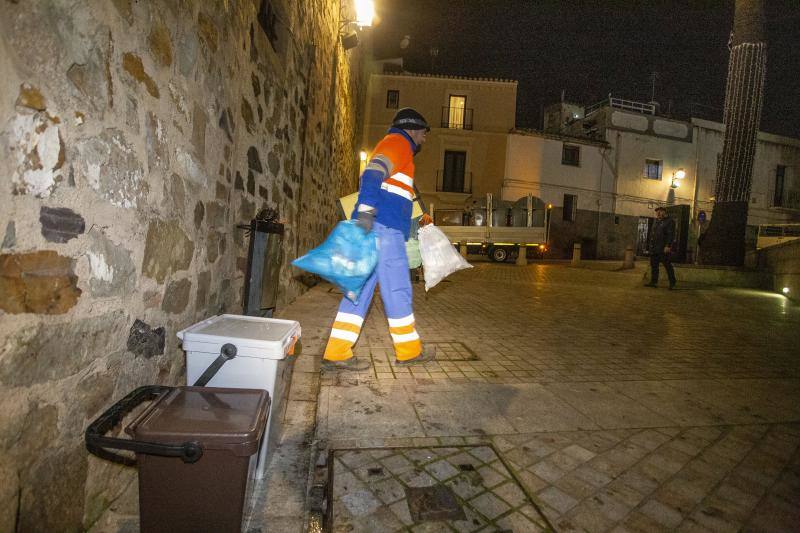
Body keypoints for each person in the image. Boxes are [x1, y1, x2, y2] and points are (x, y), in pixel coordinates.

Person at [322, 108, 435, 370]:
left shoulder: (393, 145)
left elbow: (383, 184)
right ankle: (408, 351)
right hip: (384, 229)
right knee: (397, 288)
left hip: (377, 227)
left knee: (359, 291)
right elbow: (373, 174)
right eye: (423, 133)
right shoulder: (399, 144)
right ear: (413, 129)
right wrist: (366, 214)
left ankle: (337, 352)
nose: (424, 139)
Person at [645, 206, 677, 289]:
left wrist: (668, 245)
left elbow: (671, 235)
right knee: (654, 266)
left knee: (667, 265)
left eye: (660, 211)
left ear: (664, 212)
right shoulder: (656, 221)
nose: (658, 213)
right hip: (654, 248)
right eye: (657, 212)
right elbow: (653, 234)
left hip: (663, 248)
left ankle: (672, 282)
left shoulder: (670, 221)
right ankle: (654, 282)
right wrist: (650, 246)